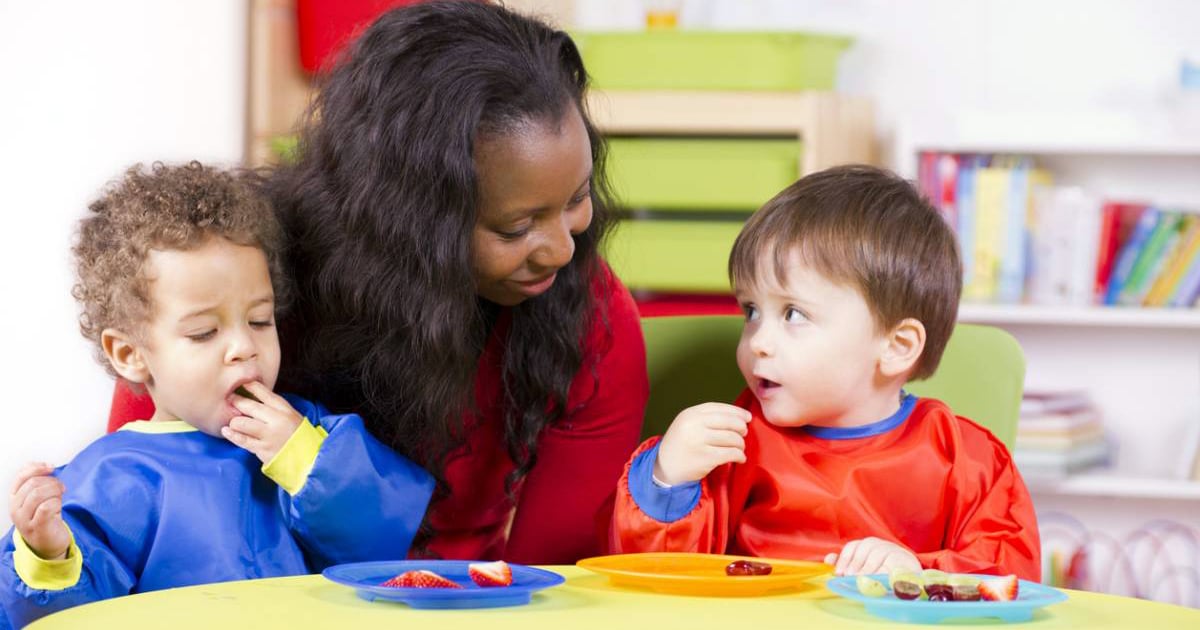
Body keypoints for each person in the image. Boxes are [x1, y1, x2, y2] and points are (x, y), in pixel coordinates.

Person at [107, 1, 648, 563]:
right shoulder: (233, 284)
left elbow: (555, 572)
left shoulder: (590, 317)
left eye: (577, 199)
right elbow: (132, 514)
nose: (563, 248)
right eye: (515, 227)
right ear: (408, 221)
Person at [1, 163, 434, 629]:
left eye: (260, 320)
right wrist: (47, 555)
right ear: (129, 353)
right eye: (205, 332)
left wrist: (308, 460)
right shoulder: (112, 475)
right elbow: (69, 618)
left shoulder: (303, 434)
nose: (244, 346)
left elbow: (378, 542)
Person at [609, 165, 1041, 581]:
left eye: (793, 313)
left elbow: (1010, 577)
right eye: (752, 311)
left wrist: (918, 574)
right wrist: (667, 480)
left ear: (896, 347)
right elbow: (658, 579)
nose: (758, 339)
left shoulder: (965, 459)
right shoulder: (735, 440)